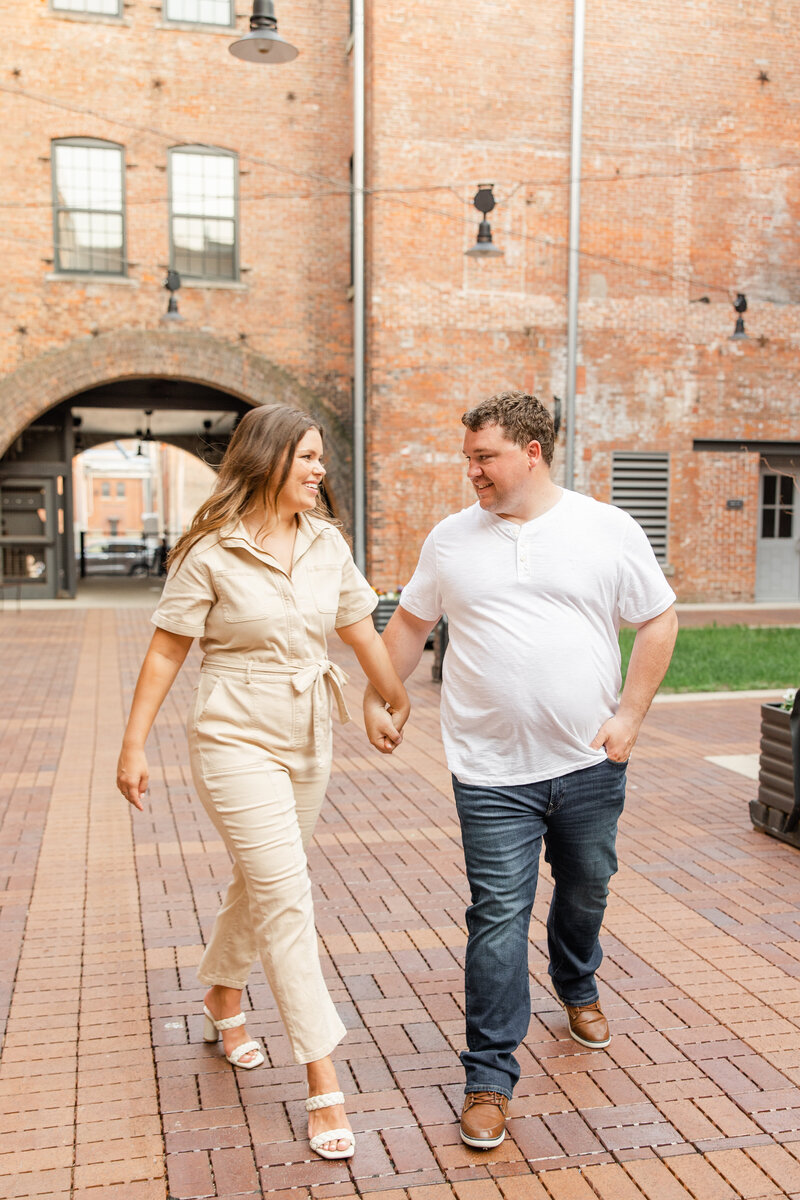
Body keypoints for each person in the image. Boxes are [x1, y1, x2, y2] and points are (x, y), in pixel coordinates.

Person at [364, 391, 677, 1150]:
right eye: (467, 455)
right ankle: (489, 1077)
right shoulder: (450, 539)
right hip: (489, 769)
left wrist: (630, 716)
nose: (469, 469)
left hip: (587, 760)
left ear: (531, 453)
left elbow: (659, 617)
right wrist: (383, 694)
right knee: (497, 915)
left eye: (484, 456)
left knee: (588, 885)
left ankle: (576, 981)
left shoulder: (606, 528)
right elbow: (411, 621)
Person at [117, 404, 409, 1161]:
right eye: (308, 458)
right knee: (285, 894)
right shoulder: (211, 551)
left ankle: (221, 991)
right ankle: (322, 1079)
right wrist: (133, 743)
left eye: (321, 459)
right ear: (269, 459)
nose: (319, 471)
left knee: (261, 881)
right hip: (233, 733)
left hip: (309, 731)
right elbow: (164, 653)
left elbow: (358, 627)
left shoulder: (325, 541)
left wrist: (388, 696)